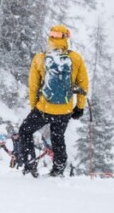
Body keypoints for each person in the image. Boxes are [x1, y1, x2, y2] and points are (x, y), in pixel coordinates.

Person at [17, 25, 89, 177]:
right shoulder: (75, 58)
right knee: (58, 137)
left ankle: (30, 165)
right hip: (65, 109)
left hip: (44, 109)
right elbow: (83, 85)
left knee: (25, 131)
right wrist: (79, 107)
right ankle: (58, 169)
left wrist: (35, 107)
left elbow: (33, 87)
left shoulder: (40, 58)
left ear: (50, 37)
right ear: (66, 38)